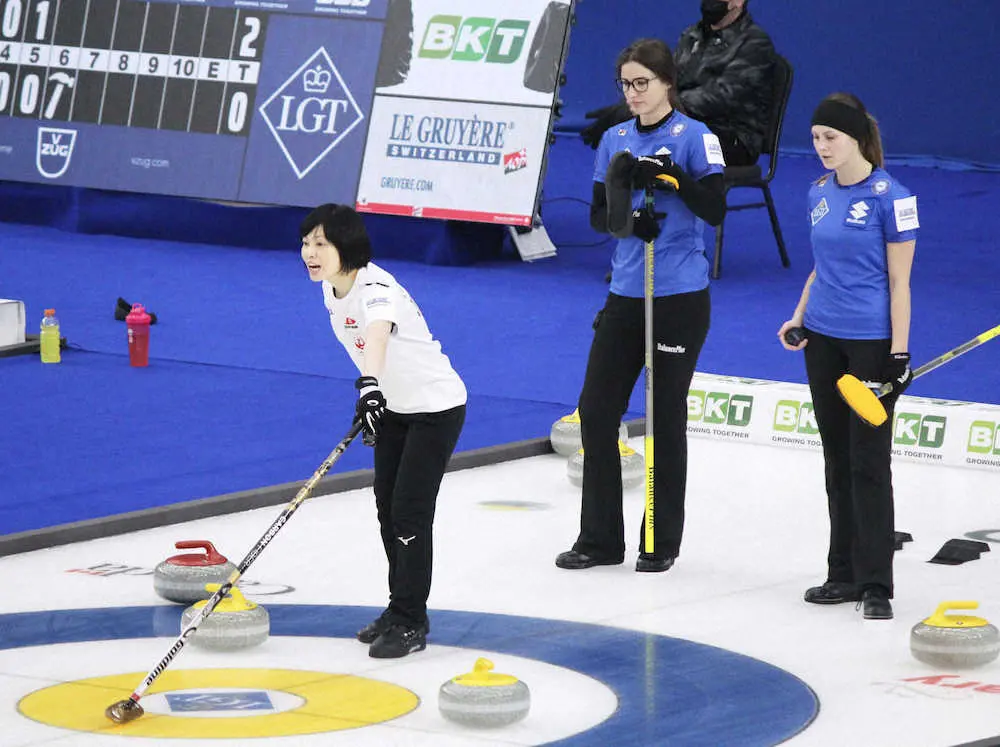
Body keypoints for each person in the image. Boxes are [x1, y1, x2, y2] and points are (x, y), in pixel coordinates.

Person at [555, 38, 726, 573]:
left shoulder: (695, 137)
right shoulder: (614, 140)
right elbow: (598, 219)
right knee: (598, 411)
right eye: (626, 84)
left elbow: (715, 208)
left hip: (677, 294)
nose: (633, 93)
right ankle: (600, 538)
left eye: (642, 83)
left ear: (667, 83)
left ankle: (660, 540)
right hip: (627, 292)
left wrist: (674, 180)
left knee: (663, 416)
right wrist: (629, 218)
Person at [300, 204, 467, 656]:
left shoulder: (376, 287)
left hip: (435, 408)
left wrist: (369, 386)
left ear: (346, 246)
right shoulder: (332, 290)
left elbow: (376, 333)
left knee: (410, 512)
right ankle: (400, 607)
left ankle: (412, 622)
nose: (309, 253)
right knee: (386, 511)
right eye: (306, 243)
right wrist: (375, 397)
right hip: (392, 407)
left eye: (321, 244)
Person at [777, 93, 918, 621]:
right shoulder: (818, 193)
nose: (821, 148)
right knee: (836, 456)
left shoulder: (892, 197)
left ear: (856, 137)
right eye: (815, 138)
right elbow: (820, 268)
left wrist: (898, 353)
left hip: (869, 344)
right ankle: (842, 573)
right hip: (823, 339)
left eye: (830, 138)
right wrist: (798, 317)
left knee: (868, 461)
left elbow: (901, 283)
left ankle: (876, 581)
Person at [580, 0, 775, 167]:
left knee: (654, 134)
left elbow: (721, 96)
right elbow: (669, 80)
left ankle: (661, 204)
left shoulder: (755, 43)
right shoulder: (692, 35)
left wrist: (663, 106)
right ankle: (622, 204)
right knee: (625, 129)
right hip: (687, 122)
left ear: (738, 2)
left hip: (733, 137)